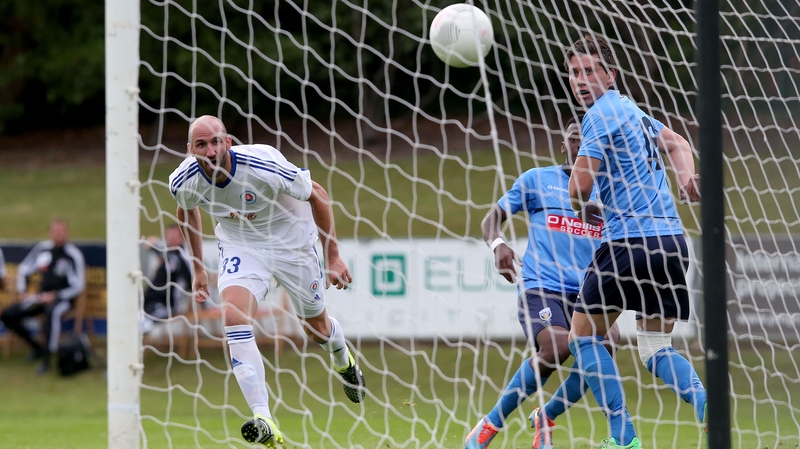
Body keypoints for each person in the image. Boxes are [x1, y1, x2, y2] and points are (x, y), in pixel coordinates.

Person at [169, 115, 365, 448]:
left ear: (228, 143)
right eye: (201, 145)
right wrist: (199, 267)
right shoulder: (182, 180)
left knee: (316, 328)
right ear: (191, 150)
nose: (210, 151)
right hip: (241, 246)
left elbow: (317, 195)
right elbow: (186, 210)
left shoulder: (263, 164)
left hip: (291, 240)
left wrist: (332, 255)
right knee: (233, 317)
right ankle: (264, 418)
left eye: (215, 142)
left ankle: (341, 357)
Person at [565, 35, 705, 449]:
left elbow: (579, 186)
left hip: (628, 242)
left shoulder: (599, 116)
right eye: (574, 72)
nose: (581, 80)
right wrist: (686, 179)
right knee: (655, 346)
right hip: (671, 243)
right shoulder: (632, 111)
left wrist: (580, 206)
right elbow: (677, 143)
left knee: (582, 337)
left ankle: (623, 437)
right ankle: (707, 405)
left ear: (610, 74)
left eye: (590, 71)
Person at [465, 117, 620, 449]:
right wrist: (498, 245)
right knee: (557, 348)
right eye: (574, 138)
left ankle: (546, 417)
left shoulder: (610, 193)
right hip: (542, 285)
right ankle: (489, 425)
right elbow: (491, 218)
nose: (580, 144)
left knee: (607, 347)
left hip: (589, 290)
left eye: (588, 139)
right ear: (564, 145)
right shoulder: (537, 180)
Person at [0, 219, 86, 374]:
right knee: (8, 315)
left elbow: (78, 285)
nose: (59, 235)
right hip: (40, 297)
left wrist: (56, 294)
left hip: (63, 299)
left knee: (52, 312)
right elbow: (24, 269)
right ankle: (36, 347)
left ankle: (47, 358)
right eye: (56, 232)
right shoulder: (42, 249)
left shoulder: (73, 255)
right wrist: (23, 291)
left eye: (62, 232)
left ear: (67, 233)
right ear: (50, 233)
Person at [140, 224, 193, 334]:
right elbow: (149, 243)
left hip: (167, 305)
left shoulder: (183, 259)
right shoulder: (166, 253)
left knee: (143, 322)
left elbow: (192, 284)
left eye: (174, 237)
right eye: (169, 237)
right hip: (149, 299)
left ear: (182, 238)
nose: (170, 240)